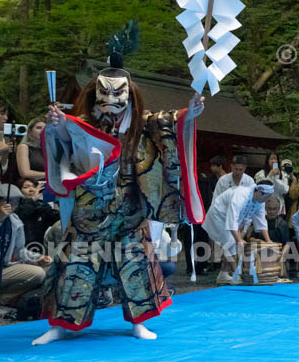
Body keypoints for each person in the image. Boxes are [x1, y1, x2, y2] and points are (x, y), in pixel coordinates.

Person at [33, 55, 206, 345]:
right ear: (94, 92)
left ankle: (140, 322)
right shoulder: (85, 125)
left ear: (129, 93)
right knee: (75, 262)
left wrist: (189, 112)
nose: (110, 98)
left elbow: (170, 123)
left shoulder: (143, 124)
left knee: (135, 262)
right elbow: (64, 139)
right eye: (104, 92)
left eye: (117, 92)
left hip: (130, 205)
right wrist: (56, 125)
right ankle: (61, 325)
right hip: (90, 204)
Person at [201, 180, 273, 284]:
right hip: (219, 214)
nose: (267, 199)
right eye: (267, 196)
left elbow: (261, 220)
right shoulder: (241, 196)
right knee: (231, 244)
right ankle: (236, 275)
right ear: (260, 192)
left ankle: (223, 274)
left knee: (231, 243)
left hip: (236, 219)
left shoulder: (260, 201)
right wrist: (238, 239)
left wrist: (268, 240)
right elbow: (232, 219)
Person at [15, 178, 59, 247]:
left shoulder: (42, 205)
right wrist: (33, 199)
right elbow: (22, 213)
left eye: (34, 187)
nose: (32, 190)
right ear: (18, 190)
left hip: (39, 247)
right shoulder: (15, 205)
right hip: (19, 248)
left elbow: (57, 218)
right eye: (26, 187)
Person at [15, 117, 47, 182]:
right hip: (31, 186)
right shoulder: (23, 147)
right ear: (30, 131)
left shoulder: (49, 149)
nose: (42, 130)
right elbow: (25, 173)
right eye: (38, 128)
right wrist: (49, 175)